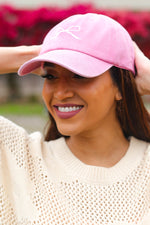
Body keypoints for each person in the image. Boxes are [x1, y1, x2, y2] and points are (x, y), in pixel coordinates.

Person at [0, 13, 150, 225]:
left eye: (79, 75)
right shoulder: (17, 157)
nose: (60, 93)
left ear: (121, 86)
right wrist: (38, 54)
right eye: (50, 76)